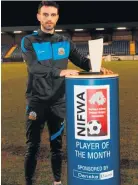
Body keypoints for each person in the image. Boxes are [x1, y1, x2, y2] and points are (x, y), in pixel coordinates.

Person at [21, 1, 113, 185]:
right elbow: (34, 67)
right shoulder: (29, 41)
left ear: (57, 18)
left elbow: (80, 60)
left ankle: (57, 181)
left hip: (58, 103)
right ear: (39, 16)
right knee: (32, 147)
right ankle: (28, 182)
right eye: (45, 14)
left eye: (53, 15)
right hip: (36, 102)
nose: (49, 18)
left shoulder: (64, 41)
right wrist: (60, 72)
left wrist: (95, 66)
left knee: (57, 147)